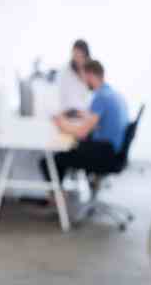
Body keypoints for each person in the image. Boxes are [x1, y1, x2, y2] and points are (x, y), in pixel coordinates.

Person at [40, 59, 128, 192]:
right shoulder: (112, 94)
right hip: (113, 151)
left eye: (83, 78)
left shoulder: (101, 97)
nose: (83, 82)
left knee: (51, 160)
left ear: (91, 75)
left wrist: (59, 123)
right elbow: (99, 123)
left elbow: (82, 133)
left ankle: (58, 202)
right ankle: (61, 198)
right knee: (70, 148)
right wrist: (83, 115)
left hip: (105, 153)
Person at [57, 39, 92, 114]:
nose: (77, 59)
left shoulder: (91, 72)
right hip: (70, 111)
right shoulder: (66, 71)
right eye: (75, 54)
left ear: (86, 55)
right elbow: (63, 94)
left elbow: (92, 94)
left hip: (86, 112)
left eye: (80, 55)